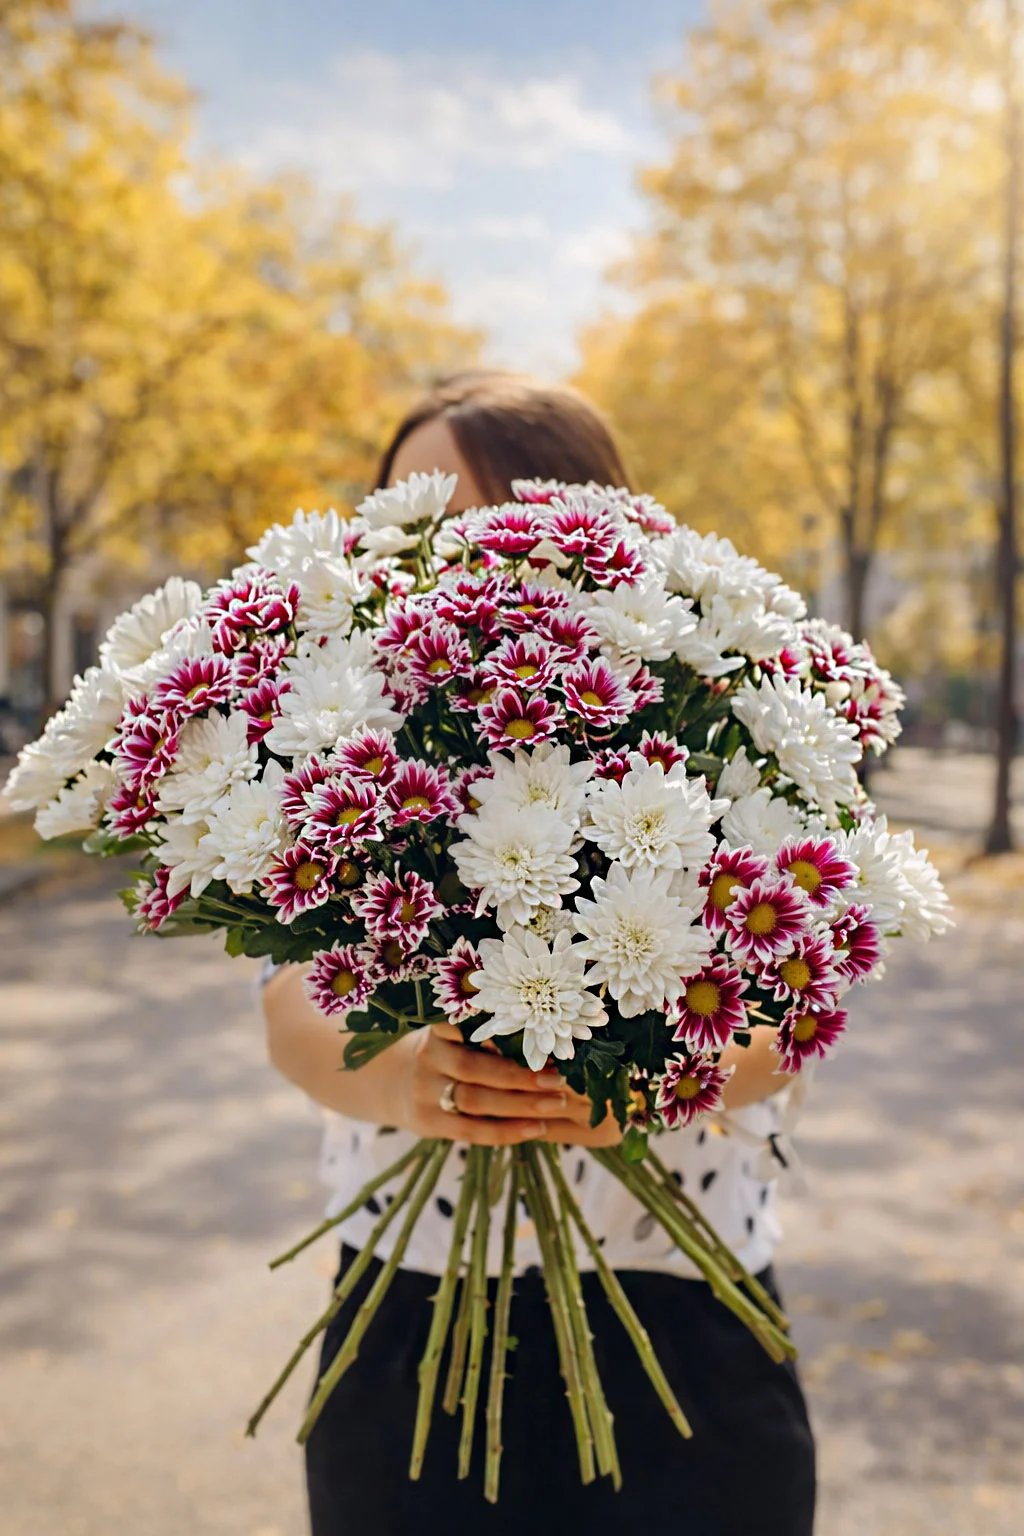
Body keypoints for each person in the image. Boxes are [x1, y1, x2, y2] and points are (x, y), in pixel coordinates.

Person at [262, 369, 816, 1536]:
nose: (451, 553)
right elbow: (290, 1005)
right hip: (406, 1315)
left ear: (590, 524)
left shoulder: (706, 707)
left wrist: (656, 1086)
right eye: (410, 521)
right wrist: (411, 1075)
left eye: (477, 516)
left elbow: (780, 1025)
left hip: (684, 1326)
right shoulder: (331, 726)